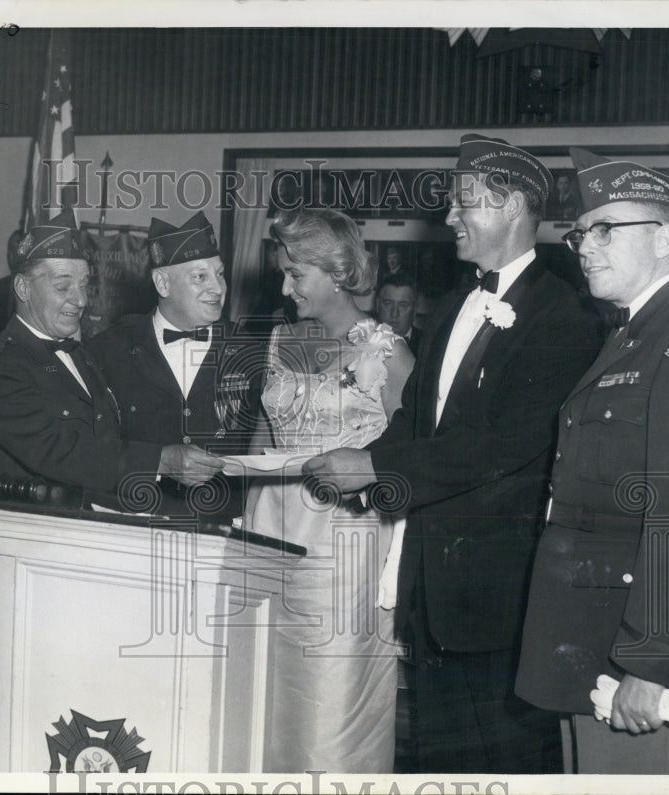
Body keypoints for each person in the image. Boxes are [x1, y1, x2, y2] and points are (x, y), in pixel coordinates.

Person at [303, 134, 605, 773]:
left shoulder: (565, 316)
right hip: (430, 590)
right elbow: (415, 423)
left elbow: (506, 444)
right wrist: (359, 460)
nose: (448, 218)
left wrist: (379, 468)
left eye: (462, 203)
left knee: (509, 764)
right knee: (440, 766)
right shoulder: (447, 309)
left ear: (513, 205)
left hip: (503, 598)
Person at [516, 148, 669, 774]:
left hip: (637, 665)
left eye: (606, 229)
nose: (584, 245)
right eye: (582, 231)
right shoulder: (630, 335)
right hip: (593, 646)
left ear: (664, 236)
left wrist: (653, 659)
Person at [244, 208, 414, 773]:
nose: (285, 287)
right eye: (283, 274)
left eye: (297, 275)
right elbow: (260, 445)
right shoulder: (276, 339)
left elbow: (411, 462)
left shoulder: (388, 352)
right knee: (260, 693)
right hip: (269, 534)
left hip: (344, 547)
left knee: (328, 696)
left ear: (338, 272)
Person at [0, 210, 220, 507]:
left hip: (98, 525)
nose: (81, 299)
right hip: (37, 535)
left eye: (84, 284)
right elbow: (59, 452)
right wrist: (160, 461)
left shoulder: (84, 355)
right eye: (63, 286)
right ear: (23, 288)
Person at [88, 211, 264, 520]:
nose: (218, 288)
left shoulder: (251, 351)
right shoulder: (106, 351)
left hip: (223, 528)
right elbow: (90, 450)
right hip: (132, 523)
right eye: (200, 277)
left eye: (219, 274)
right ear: (162, 283)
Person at [376, 270, 421, 353]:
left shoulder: (427, 344)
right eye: (388, 304)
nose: (394, 313)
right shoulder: (362, 338)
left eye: (403, 306)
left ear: (415, 309)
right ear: (377, 305)